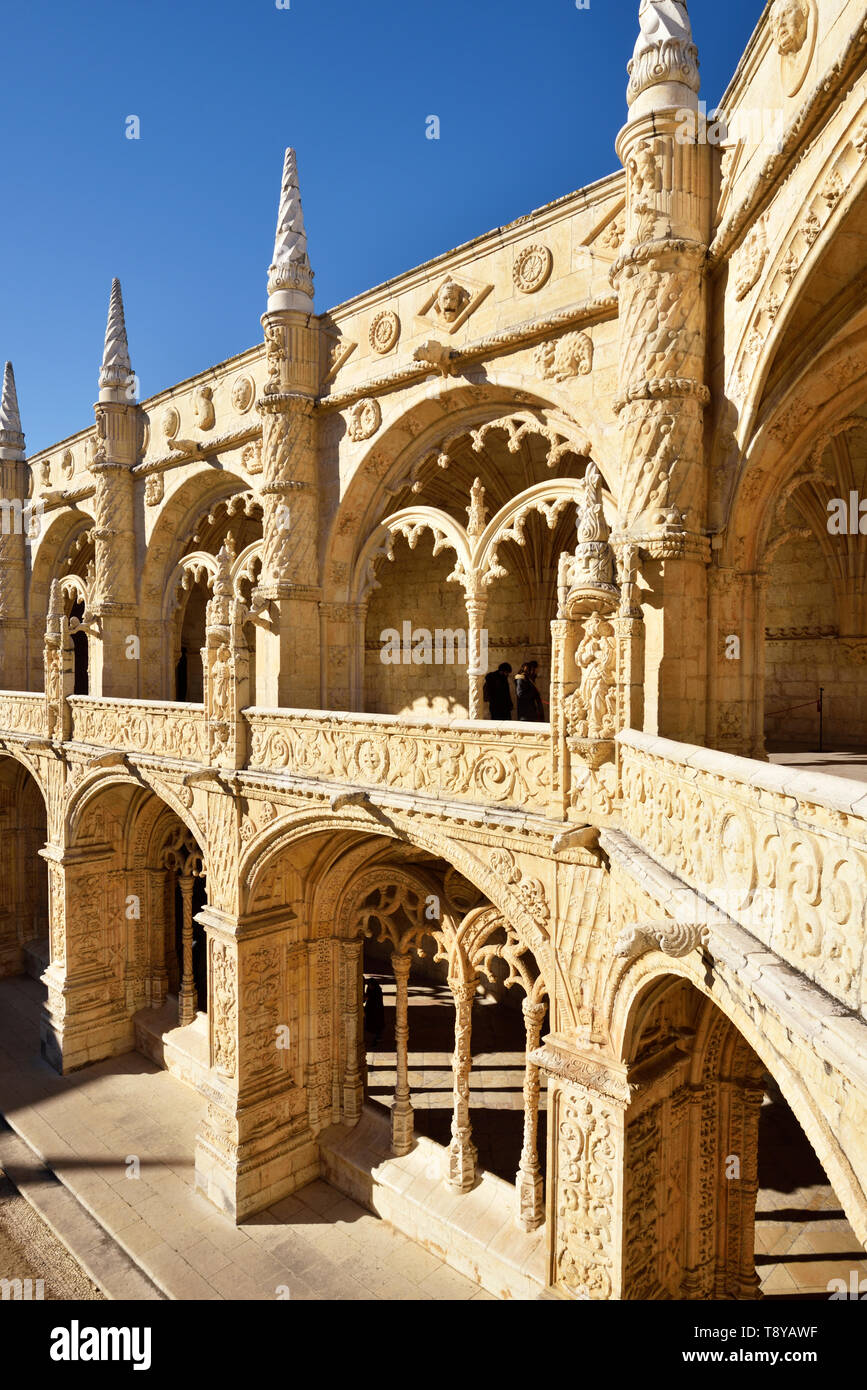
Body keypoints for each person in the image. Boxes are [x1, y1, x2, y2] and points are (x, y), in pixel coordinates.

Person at [363, 977, 385, 1046]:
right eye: (369, 985)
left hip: (377, 1010)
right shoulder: (369, 989)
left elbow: (376, 1001)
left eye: (370, 985)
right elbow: (367, 998)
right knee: (371, 1024)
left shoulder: (377, 991)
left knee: (377, 1024)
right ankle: (374, 1037)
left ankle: (377, 1038)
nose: (370, 986)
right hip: (370, 1009)